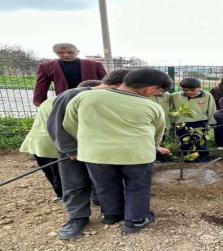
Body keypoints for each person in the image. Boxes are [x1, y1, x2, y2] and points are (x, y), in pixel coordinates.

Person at [62, 68, 172, 234]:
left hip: (96, 154)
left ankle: (112, 215)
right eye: (159, 91)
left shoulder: (85, 97)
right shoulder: (151, 106)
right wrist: (154, 146)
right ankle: (135, 220)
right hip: (137, 155)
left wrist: (88, 141)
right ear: (150, 89)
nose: (158, 95)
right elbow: (157, 133)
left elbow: (70, 124)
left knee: (105, 185)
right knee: (137, 186)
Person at [47, 69, 131, 239]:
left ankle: (103, 204)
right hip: (75, 150)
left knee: (104, 179)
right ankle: (77, 217)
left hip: (102, 148)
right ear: (119, 84)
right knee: (75, 182)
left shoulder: (112, 98)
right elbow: (56, 126)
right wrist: (71, 150)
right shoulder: (72, 95)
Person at [33, 43, 107, 106]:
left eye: (70, 52)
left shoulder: (95, 65)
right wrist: (39, 101)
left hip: (91, 98)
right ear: (55, 52)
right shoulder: (46, 67)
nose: (66, 55)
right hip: (65, 98)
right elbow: (41, 85)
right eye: (61, 53)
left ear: (77, 52)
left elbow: (107, 82)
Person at [20, 97, 62, 199]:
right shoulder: (72, 101)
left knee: (48, 170)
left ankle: (59, 194)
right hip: (52, 143)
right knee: (58, 173)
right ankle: (62, 194)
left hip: (35, 141)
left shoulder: (50, 100)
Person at [171, 78, 216, 162]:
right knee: (184, 141)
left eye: (192, 90)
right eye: (185, 90)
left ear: (200, 87)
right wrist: (172, 122)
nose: (189, 92)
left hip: (200, 122)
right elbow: (171, 109)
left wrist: (211, 123)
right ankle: (186, 157)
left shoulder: (207, 96)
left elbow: (212, 109)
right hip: (181, 123)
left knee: (199, 141)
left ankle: (202, 157)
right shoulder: (174, 96)